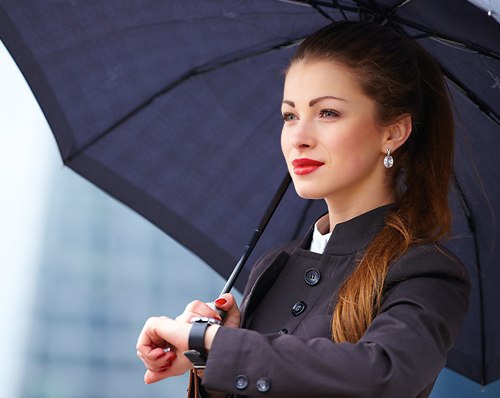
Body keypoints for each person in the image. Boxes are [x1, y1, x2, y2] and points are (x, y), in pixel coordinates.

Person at [136, 21, 471, 398]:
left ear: (392, 132)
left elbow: (382, 377)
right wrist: (207, 358)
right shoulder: (273, 266)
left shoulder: (426, 273)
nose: (298, 138)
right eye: (289, 116)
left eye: (327, 113)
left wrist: (216, 343)